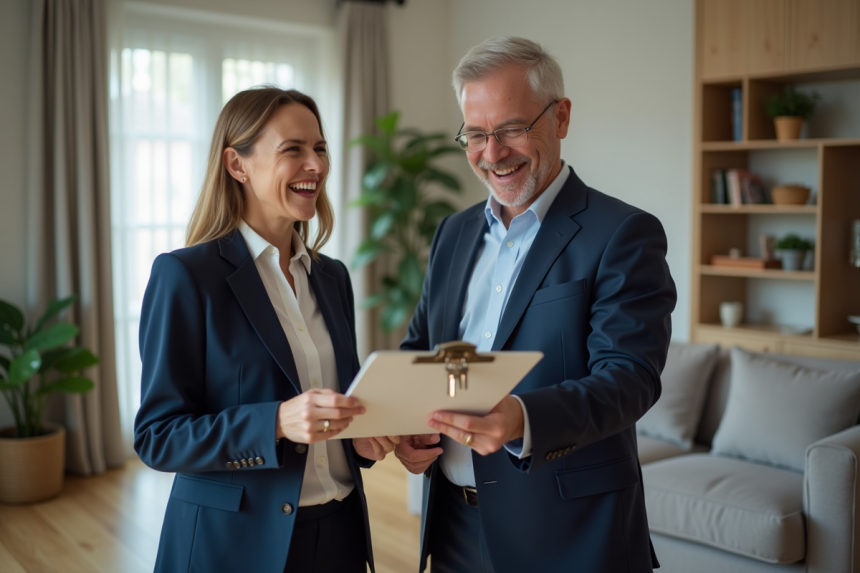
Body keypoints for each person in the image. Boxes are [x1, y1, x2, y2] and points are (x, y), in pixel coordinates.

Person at [394, 37, 677, 573]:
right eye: (476, 135)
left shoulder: (623, 233)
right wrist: (412, 424)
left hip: (571, 538)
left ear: (561, 117)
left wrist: (522, 417)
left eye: (512, 129)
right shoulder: (452, 233)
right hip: (455, 527)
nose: (493, 153)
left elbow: (631, 378)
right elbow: (423, 351)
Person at [134, 87, 397, 573]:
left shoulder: (333, 277)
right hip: (234, 545)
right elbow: (158, 436)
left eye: (319, 149)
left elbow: (338, 406)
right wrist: (274, 421)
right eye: (292, 149)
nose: (315, 165)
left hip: (339, 536)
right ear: (237, 165)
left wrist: (359, 439)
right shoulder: (186, 276)